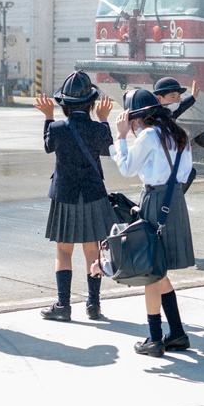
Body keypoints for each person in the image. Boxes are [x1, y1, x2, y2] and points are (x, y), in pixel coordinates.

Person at [102, 88, 195, 357]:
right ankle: (176, 334)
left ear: (136, 118)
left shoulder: (149, 135)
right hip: (175, 201)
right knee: (159, 269)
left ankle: (155, 339)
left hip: (155, 200)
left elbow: (127, 168)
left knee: (150, 271)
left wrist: (119, 137)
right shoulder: (178, 133)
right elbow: (186, 172)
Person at [34, 71, 116, 321]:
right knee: (93, 251)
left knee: (63, 251)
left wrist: (48, 117)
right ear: (92, 103)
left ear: (64, 105)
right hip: (92, 194)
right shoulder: (96, 128)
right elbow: (107, 148)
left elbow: (48, 146)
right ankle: (93, 304)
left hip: (65, 194)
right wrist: (103, 120)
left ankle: (63, 306)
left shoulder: (58, 128)